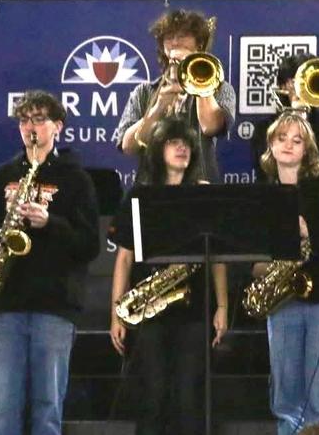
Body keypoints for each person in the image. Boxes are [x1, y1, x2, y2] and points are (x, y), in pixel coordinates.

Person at [0, 91, 100, 435]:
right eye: (24, 120)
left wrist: (51, 223)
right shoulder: (3, 175)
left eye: (38, 119)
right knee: (3, 402)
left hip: (54, 302)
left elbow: (90, 244)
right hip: (8, 300)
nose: (30, 127)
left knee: (47, 405)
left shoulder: (75, 179)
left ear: (57, 127)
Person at [109, 117, 229, 435]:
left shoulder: (203, 195)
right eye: (174, 143)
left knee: (190, 399)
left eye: (187, 144)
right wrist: (116, 314)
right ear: (158, 151)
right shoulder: (138, 196)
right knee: (152, 394)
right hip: (148, 309)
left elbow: (217, 255)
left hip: (194, 308)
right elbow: (123, 258)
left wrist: (222, 306)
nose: (183, 149)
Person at [256, 111, 319, 435]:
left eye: (297, 140)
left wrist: (311, 234)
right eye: (281, 138)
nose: (288, 145)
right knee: (285, 398)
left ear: (307, 149)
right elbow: (253, 260)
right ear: (270, 144)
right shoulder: (263, 195)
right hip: (282, 301)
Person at [116, 8, 236, 182]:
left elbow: (210, 126)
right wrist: (158, 109)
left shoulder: (220, 88)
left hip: (201, 187)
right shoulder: (144, 91)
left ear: (199, 44)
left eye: (182, 36)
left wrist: (200, 80)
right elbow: (128, 146)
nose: (175, 42)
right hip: (152, 187)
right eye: (169, 37)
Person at [248, 51, 319, 176]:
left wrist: (307, 121)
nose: (303, 89)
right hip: (279, 194)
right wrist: (295, 117)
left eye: (309, 81)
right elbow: (264, 167)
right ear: (283, 86)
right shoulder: (265, 127)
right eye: (297, 82)